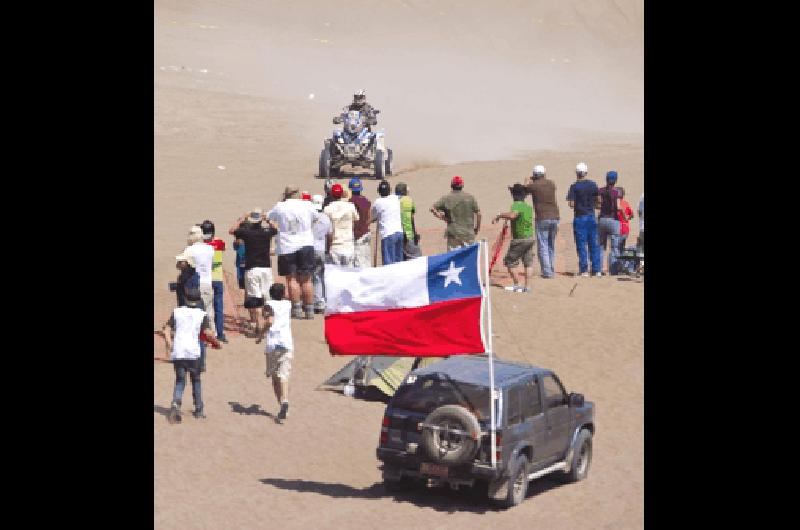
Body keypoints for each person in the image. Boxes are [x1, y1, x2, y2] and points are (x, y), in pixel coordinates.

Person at [162, 288, 218, 423]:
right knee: (196, 380)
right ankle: (199, 410)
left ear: (185, 299)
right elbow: (208, 333)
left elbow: (166, 329)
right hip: (193, 353)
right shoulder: (201, 314)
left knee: (180, 380)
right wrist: (216, 342)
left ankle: (176, 403)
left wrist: (169, 343)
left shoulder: (177, 312)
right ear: (198, 300)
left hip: (179, 351)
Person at [268, 187, 318, 319]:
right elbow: (316, 218)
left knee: (292, 279)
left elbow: (268, 217)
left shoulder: (281, 206)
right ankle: (309, 309)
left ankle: (296, 308)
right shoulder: (307, 204)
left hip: (287, 245)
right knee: (307, 279)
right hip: (305, 243)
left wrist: (278, 227)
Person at [229, 208, 278, 334]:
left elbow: (232, 230)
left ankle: (259, 324)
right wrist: (266, 218)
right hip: (265, 268)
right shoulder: (266, 232)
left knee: (255, 299)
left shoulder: (247, 233)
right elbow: (276, 228)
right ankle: (270, 324)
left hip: (252, 269)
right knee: (268, 297)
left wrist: (242, 218)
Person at [255, 283, 294, 423]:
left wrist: (260, 335)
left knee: (274, 378)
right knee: (284, 375)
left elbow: (269, 321)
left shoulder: (268, 305)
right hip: (287, 343)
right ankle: (285, 401)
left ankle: (282, 405)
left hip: (273, 344)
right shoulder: (288, 304)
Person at [492, 183, 535, 293]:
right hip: (530, 237)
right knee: (528, 262)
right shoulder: (528, 207)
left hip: (520, 239)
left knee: (509, 262)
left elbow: (513, 215)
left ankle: (517, 284)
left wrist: (500, 215)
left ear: (514, 195)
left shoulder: (516, 205)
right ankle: (528, 287)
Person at [566, 162, 602, 277]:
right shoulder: (592, 184)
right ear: (586, 172)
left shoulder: (574, 186)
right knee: (594, 244)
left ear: (577, 173)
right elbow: (599, 200)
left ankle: (584, 270)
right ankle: (596, 270)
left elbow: (571, 204)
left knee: (581, 245)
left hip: (580, 217)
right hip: (591, 216)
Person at [525, 164, 560, 279]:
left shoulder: (533, 186)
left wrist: (527, 181)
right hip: (555, 216)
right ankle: (551, 268)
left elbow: (524, 191)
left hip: (542, 217)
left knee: (543, 245)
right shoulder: (551, 183)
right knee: (551, 245)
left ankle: (547, 272)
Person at [431, 175, 481, 250]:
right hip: (468, 234)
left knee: (454, 259)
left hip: (453, 234)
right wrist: (477, 229)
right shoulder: (470, 197)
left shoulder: (446, 198)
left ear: (451, 185)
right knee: (468, 258)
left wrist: (442, 218)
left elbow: (432, 208)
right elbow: (479, 214)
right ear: (462, 185)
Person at [200, 220, 228, 343]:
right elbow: (222, 246)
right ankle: (220, 333)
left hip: (205, 279)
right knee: (218, 307)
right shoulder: (219, 242)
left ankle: (206, 334)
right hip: (217, 278)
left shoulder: (200, 246)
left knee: (205, 307)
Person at [184, 227, 215, 326]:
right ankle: (212, 335)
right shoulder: (210, 248)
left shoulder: (189, 250)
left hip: (195, 285)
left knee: (194, 315)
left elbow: (184, 266)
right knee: (209, 313)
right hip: (207, 283)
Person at [324, 183, 360, 267]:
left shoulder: (327, 209)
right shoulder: (350, 206)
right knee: (349, 274)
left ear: (331, 195)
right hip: (348, 245)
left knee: (336, 276)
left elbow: (326, 229)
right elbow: (356, 220)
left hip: (335, 246)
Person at [371, 179, 404, 265]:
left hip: (388, 234)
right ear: (390, 190)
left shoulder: (378, 202)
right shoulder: (396, 198)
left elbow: (372, 217)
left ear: (379, 191)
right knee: (399, 263)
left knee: (389, 265)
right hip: (399, 232)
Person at [597, 171, 624, 275]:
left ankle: (598, 269)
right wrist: (624, 215)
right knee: (614, 247)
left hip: (602, 219)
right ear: (615, 180)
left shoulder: (601, 190)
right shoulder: (617, 192)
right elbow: (618, 206)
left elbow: (598, 205)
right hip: (613, 220)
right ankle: (613, 271)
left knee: (600, 246)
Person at [311, 194, 331, 313]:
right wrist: (328, 249)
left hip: (310, 249)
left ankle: (317, 301)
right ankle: (323, 300)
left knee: (314, 277)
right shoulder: (326, 218)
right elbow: (329, 235)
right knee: (322, 276)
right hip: (321, 249)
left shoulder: (309, 216)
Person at [349, 177, 373, 267]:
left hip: (357, 235)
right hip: (366, 233)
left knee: (359, 263)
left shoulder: (351, 202)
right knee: (367, 260)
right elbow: (369, 218)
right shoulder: (366, 201)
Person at [395, 182, 421, 260]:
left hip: (397, 234)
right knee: (416, 257)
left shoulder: (393, 201)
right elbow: (412, 218)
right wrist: (415, 234)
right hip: (408, 234)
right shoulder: (408, 200)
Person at [616, 195, 635, 274]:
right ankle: (623, 267)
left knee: (616, 249)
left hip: (616, 229)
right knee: (621, 248)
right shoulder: (625, 203)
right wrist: (627, 218)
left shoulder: (614, 203)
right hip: (625, 229)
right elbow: (632, 215)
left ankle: (619, 268)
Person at [637, 192, 644, 273]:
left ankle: (642, 265)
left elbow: (639, 212)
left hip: (642, 228)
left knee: (642, 249)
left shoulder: (642, 195)